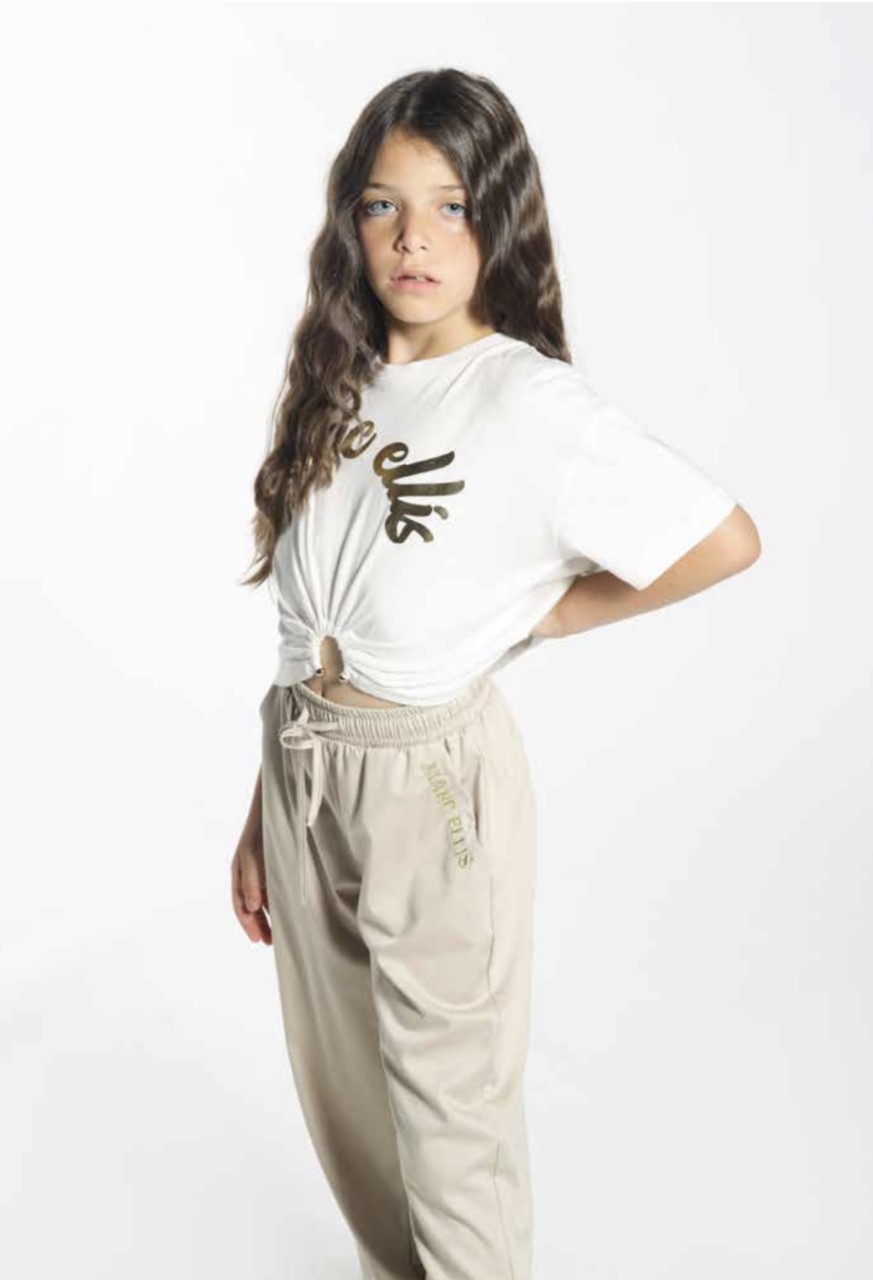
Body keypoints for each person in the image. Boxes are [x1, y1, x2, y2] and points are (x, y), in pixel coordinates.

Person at [230, 68, 761, 1280]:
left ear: (497, 219)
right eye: (383, 204)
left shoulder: (527, 400)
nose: (412, 237)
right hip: (305, 768)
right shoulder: (335, 380)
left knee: (449, 1117)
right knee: (347, 1098)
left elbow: (724, 538)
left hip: (428, 784)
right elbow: (309, 628)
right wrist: (263, 812)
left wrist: (552, 613)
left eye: (451, 206)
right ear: (350, 220)